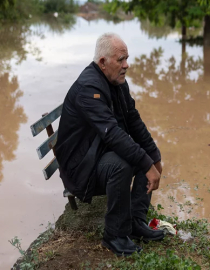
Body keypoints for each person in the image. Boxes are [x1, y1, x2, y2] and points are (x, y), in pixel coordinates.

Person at [54, 32, 165, 256]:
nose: (127, 65)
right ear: (103, 63)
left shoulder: (117, 82)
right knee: (122, 165)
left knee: (144, 155)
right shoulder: (88, 89)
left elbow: (132, 119)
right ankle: (114, 236)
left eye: (127, 58)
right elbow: (112, 134)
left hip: (97, 152)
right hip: (81, 168)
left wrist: (154, 156)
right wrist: (146, 163)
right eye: (121, 59)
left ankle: (135, 222)